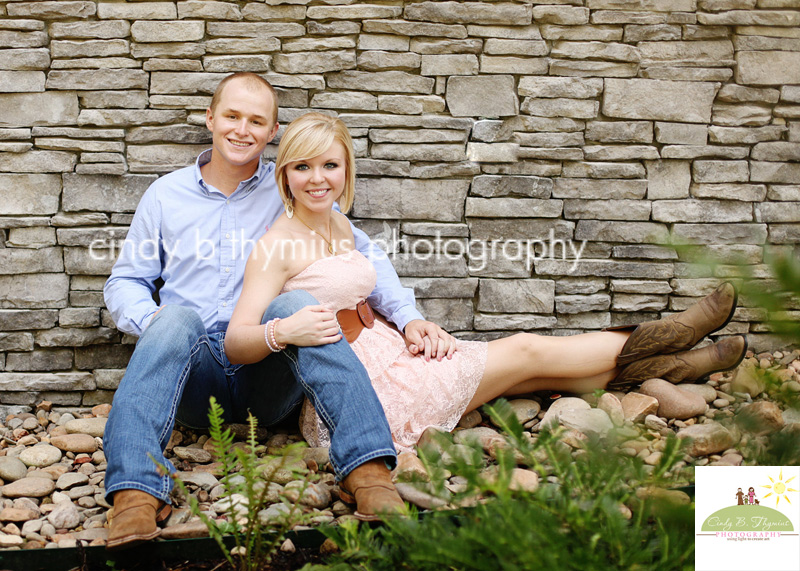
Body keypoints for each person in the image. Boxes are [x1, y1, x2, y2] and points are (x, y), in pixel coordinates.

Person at [224, 112, 748, 453]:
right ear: (284, 174)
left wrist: (411, 322)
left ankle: (674, 364)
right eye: (303, 167)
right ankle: (674, 333)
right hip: (361, 394)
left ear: (346, 169)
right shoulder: (277, 245)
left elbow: (377, 284)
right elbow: (236, 341)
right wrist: (285, 329)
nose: (318, 178)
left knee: (529, 379)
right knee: (523, 351)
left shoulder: (338, 220)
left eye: (330, 165)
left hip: (391, 354)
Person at [102, 73, 445, 550]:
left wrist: (407, 316)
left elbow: (363, 255)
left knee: (298, 305)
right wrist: (155, 326)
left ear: (272, 131)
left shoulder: (293, 185)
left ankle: (368, 473)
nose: (242, 129)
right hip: (193, 371)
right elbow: (126, 281)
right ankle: (135, 496)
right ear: (210, 118)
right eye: (232, 116)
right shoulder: (165, 195)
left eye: (257, 121)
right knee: (174, 317)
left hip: (269, 374)